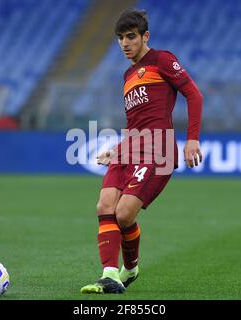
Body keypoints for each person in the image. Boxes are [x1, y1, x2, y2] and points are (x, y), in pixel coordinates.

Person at [80, 9, 204, 294]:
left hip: (157, 151)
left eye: (131, 37)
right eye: (120, 38)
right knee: (104, 206)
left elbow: (194, 94)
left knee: (124, 214)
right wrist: (118, 149)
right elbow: (137, 124)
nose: (125, 43)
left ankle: (131, 267)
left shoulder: (163, 60)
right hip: (130, 149)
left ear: (145, 36)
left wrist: (192, 139)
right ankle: (110, 274)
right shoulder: (127, 75)